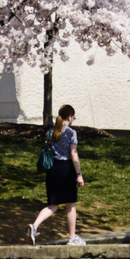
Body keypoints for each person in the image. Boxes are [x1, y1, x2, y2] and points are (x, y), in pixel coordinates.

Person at [31, 104, 86, 245]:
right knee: (70, 205)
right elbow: (74, 154)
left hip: (52, 169)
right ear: (70, 116)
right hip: (66, 170)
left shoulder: (50, 132)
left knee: (52, 205)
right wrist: (79, 174)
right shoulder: (71, 133)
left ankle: (34, 226)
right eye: (73, 117)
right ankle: (72, 238)